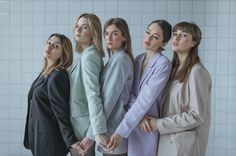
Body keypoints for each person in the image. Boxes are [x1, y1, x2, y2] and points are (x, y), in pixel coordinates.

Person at [144, 22, 212, 156]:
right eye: (175, 34)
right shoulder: (173, 69)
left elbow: (197, 115)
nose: (177, 38)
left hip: (183, 146)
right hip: (166, 142)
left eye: (184, 35)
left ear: (194, 43)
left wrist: (158, 124)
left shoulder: (197, 72)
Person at [106, 20, 172, 156]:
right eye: (148, 33)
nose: (148, 38)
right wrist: (139, 117)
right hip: (135, 120)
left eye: (155, 37)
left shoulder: (163, 64)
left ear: (164, 43)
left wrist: (120, 132)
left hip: (146, 127)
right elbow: (129, 93)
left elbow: (146, 99)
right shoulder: (138, 59)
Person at [23, 33, 81, 156]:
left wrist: (71, 140)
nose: (49, 47)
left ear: (63, 54)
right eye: (49, 43)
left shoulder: (57, 76)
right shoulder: (45, 72)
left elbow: (61, 111)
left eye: (55, 46)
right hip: (39, 138)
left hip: (50, 142)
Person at [68, 13, 108, 156]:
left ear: (93, 32)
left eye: (84, 27)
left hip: (83, 126)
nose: (78, 30)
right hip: (78, 123)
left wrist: (95, 132)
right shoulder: (83, 55)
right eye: (77, 27)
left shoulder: (90, 56)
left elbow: (93, 94)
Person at [96, 18, 134, 156]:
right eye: (106, 33)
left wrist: (93, 133)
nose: (109, 37)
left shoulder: (121, 60)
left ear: (124, 37)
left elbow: (108, 100)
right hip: (112, 131)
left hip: (113, 133)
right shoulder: (115, 59)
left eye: (114, 33)